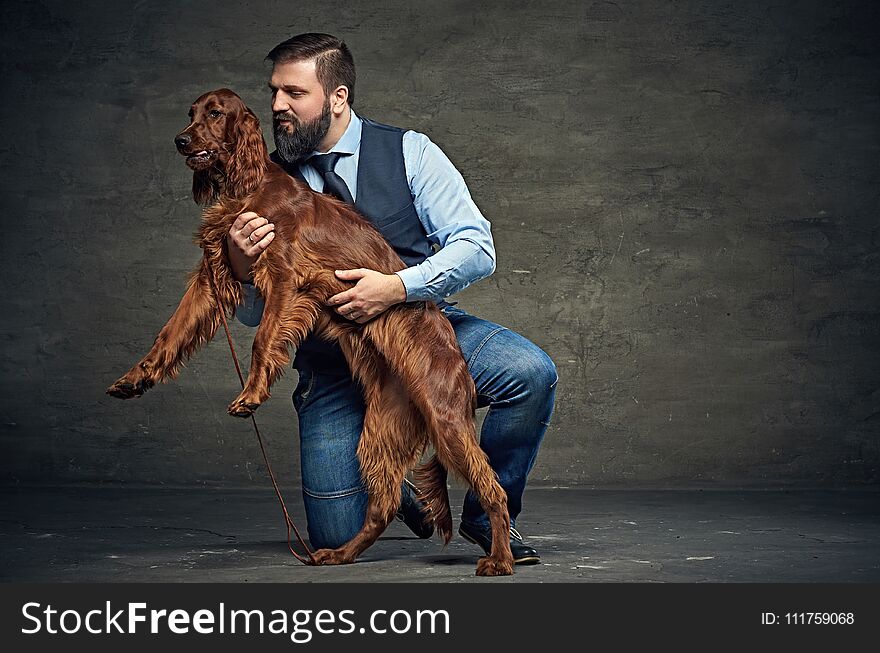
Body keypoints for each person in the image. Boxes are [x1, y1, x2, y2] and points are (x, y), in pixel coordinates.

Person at [230, 33, 557, 564]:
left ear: (337, 97)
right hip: (334, 366)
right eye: (273, 92)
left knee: (530, 371)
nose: (276, 107)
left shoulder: (410, 151)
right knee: (335, 535)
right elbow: (250, 318)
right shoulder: (266, 181)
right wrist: (243, 268)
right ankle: (398, 481)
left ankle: (484, 514)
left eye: (294, 93)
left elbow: (477, 248)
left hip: (420, 332)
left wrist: (398, 287)